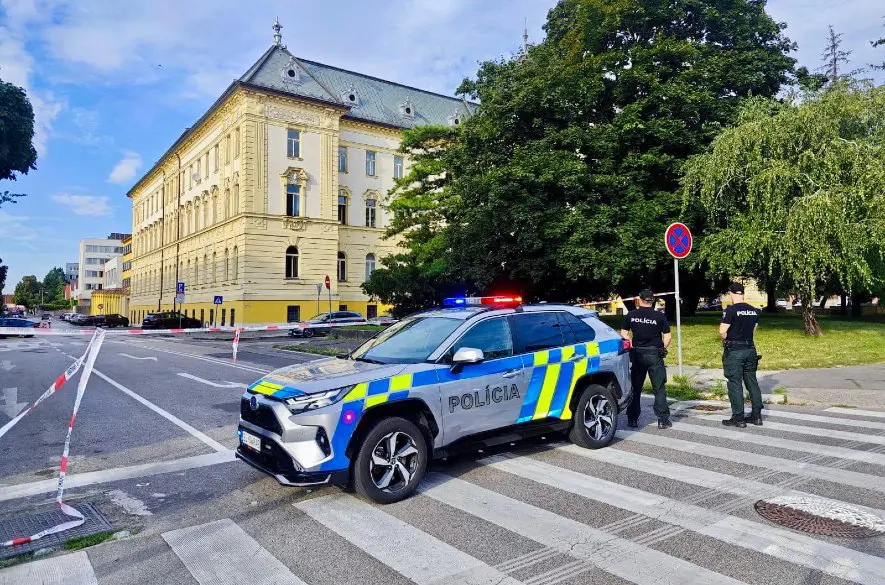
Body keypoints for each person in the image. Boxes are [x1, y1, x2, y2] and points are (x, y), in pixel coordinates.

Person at [620, 289, 672, 429]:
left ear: (639, 300)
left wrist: (629, 343)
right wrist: (663, 348)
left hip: (637, 354)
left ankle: (632, 419)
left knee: (636, 388)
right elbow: (667, 336)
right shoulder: (659, 316)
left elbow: (624, 333)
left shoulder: (631, 315)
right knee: (659, 388)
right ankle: (662, 420)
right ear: (653, 300)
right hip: (655, 354)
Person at [720, 282, 763, 427]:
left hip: (735, 351)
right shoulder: (755, 311)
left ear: (731, 293)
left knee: (735, 383)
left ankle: (738, 418)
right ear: (742, 293)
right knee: (752, 382)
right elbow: (753, 330)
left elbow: (722, 332)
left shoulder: (731, 311)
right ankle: (757, 416)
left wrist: (729, 337)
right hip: (751, 349)